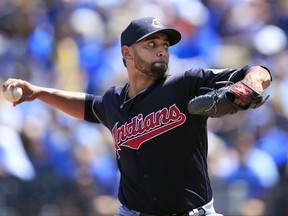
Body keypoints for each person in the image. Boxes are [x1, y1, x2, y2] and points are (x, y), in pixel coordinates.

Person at [1, 17, 272, 216]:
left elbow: (258, 70)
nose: (161, 50)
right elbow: (87, 105)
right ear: (126, 53)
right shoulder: (113, 101)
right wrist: (38, 92)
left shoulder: (186, 83)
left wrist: (250, 85)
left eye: (165, 44)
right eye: (151, 44)